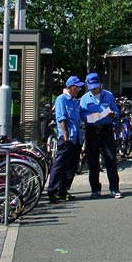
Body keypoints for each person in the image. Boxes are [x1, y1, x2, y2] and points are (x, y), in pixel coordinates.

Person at [80, 72, 122, 198]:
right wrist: (90, 117)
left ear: (100, 84)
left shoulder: (108, 95)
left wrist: (113, 114)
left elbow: (116, 111)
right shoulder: (85, 99)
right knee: (93, 161)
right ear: (88, 86)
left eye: (96, 86)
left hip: (106, 130)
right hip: (92, 131)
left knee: (111, 159)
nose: (94, 89)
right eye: (92, 87)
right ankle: (95, 189)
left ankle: (114, 188)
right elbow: (82, 115)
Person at [46, 76, 84, 204]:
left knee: (72, 166)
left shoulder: (74, 101)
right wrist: (66, 134)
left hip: (77, 137)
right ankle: (52, 191)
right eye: (76, 87)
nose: (78, 89)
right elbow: (61, 118)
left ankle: (63, 190)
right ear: (70, 87)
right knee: (60, 165)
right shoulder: (61, 99)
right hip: (67, 138)